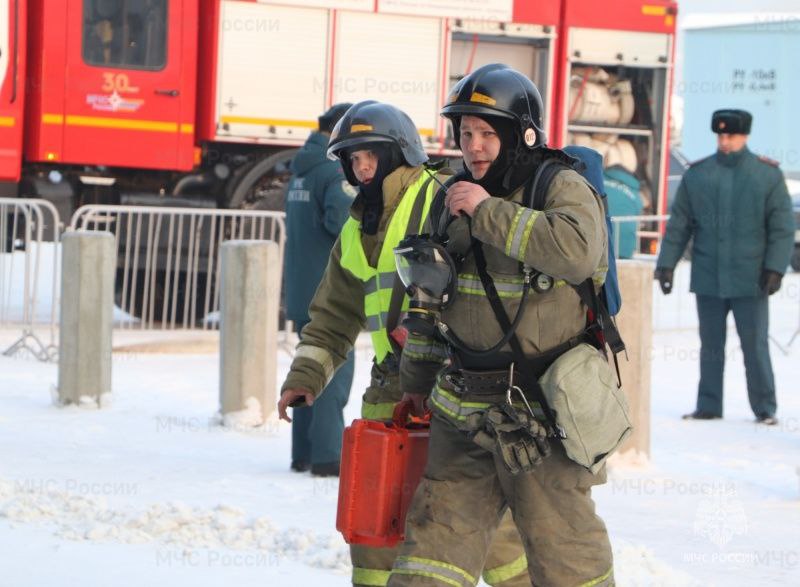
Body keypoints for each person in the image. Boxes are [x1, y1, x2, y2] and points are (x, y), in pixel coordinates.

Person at [277, 101, 529, 587]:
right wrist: (305, 377)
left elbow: (485, 282)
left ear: (401, 152)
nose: (361, 168)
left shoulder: (439, 195)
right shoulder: (356, 227)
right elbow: (332, 315)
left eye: (370, 155)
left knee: (485, 530)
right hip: (390, 389)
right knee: (373, 525)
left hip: (454, 386)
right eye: (352, 159)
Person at [388, 63, 614, 587]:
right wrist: (416, 383)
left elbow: (579, 253)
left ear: (522, 134)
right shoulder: (452, 195)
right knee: (432, 552)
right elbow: (428, 293)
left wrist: (488, 212)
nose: (475, 146)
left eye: (489, 133)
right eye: (466, 133)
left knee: (565, 554)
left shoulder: (561, 186)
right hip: (461, 407)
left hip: (541, 413)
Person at [654, 109, 794, 425]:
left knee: (755, 345)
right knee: (711, 346)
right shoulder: (698, 174)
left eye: (731, 135)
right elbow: (680, 226)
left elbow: (782, 227)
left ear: (745, 136)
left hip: (751, 279)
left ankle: (765, 407)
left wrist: (775, 268)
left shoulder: (766, 176)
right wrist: (666, 265)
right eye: (720, 135)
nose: (725, 141)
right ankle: (709, 404)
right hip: (709, 276)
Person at [284, 102, 355, 477]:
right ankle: (328, 457)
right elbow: (343, 225)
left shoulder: (301, 169)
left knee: (307, 368)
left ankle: (304, 452)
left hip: (301, 289)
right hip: (328, 295)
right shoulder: (331, 172)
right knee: (333, 374)